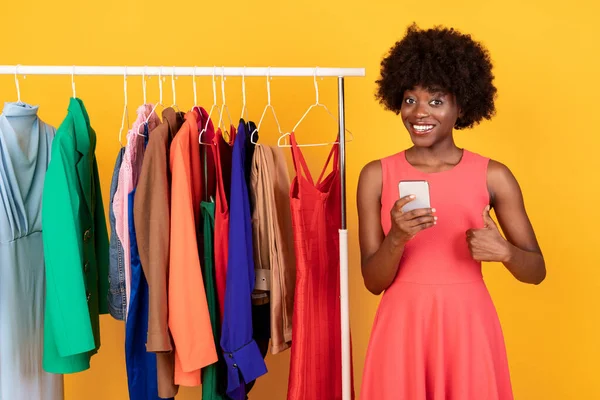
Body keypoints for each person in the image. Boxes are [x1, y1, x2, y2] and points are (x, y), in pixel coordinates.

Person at [357, 23, 546, 400]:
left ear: (462, 106)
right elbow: (373, 282)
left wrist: (505, 252)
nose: (419, 113)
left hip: (468, 323)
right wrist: (397, 238)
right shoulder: (376, 175)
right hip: (402, 325)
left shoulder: (495, 176)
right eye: (409, 100)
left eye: (436, 101)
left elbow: (537, 271)